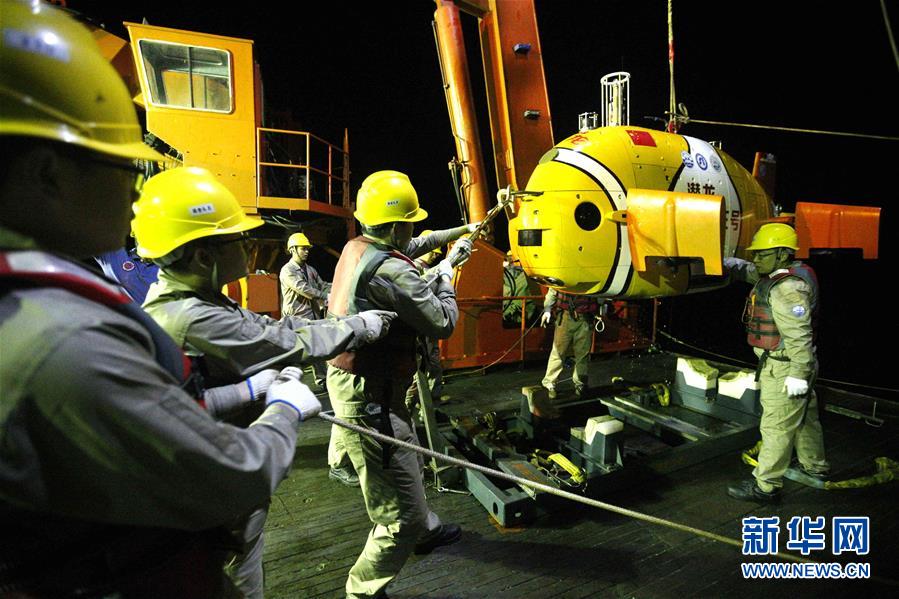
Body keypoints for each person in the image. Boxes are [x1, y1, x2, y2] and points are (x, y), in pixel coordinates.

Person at [0, 2, 320, 596]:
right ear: (48, 174)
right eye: (124, 165)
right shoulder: (64, 338)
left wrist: (246, 392)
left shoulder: (39, 298)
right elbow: (229, 478)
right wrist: (284, 409)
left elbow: (145, 410)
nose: (135, 190)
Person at [131, 166, 396, 595]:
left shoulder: (192, 299)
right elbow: (288, 340)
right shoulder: (192, 317)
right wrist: (360, 327)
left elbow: (270, 330)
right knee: (234, 569)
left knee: (239, 559)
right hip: (213, 480)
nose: (247, 245)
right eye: (236, 239)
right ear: (202, 256)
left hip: (212, 468)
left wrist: (251, 387)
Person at [327, 170, 472, 598]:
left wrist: (462, 230)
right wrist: (447, 276)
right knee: (397, 513)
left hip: (363, 382)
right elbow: (442, 322)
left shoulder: (359, 247)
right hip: (370, 394)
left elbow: (419, 244)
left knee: (404, 458)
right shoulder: (392, 270)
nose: (413, 230)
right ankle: (362, 591)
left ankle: (424, 530)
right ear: (395, 227)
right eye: (409, 222)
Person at [725, 223, 829, 503]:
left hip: (786, 367)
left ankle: (766, 486)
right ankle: (815, 466)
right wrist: (719, 260)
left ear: (783, 254)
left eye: (762, 254)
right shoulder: (789, 274)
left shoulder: (788, 289)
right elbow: (746, 270)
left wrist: (797, 375)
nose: (756, 259)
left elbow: (799, 337)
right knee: (805, 417)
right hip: (798, 364)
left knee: (776, 426)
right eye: (755, 253)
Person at [540, 289, 604, 399]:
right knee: (558, 352)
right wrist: (547, 310)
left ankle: (580, 384)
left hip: (586, 319)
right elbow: (553, 289)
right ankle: (549, 383)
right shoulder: (566, 278)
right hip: (566, 317)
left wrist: (601, 307)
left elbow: (602, 293)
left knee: (582, 354)